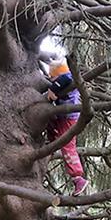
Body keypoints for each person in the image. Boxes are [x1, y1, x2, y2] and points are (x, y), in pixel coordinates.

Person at [44, 53, 88, 196]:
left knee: (68, 147)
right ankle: (50, 143)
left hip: (69, 119)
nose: (51, 80)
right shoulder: (63, 79)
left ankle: (78, 178)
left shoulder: (67, 77)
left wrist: (53, 89)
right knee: (50, 121)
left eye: (52, 78)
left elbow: (65, 78)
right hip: (63, 117)